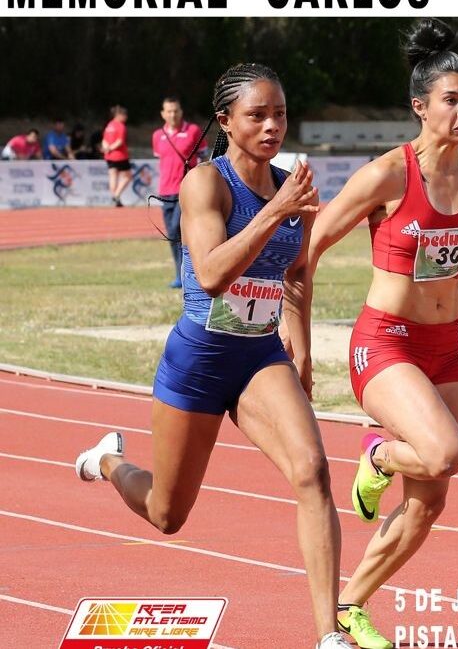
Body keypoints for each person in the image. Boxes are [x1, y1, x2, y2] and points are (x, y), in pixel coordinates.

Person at [75, 63, 352, 649]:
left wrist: (300, 344)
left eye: (280, 113)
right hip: (199, 359)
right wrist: (278, 209)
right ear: (226, 121)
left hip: (258, 358)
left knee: (314, 474)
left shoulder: (293, 184)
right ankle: (106, 461)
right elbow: (210, 272)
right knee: (167, 515)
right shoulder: (207, 183)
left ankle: (329, 633)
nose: (273, 125)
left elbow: (298, 273)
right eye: (258, 115)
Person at [306, 19, 458, 649]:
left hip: (445, 346)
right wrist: (296, 332)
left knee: (431, 502)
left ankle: (348, 607)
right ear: (420, 107)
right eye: (451, 100)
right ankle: (377, 455)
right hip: (386, 342)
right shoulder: (388, 176)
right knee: (445, 453)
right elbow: (312, 245)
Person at [152, 97, 209, 288]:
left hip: (186, 190)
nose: (172, 114)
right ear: (162, 114)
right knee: (171, 234)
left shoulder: (193, 131)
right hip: (164, 191)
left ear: (181, 112)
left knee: (178, 229)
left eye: (175, 110)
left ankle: (191, 273)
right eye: (168, 111)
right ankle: (180, 275)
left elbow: (204, 157)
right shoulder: (157, 135)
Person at [102, 105, 132, 207]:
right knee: (127, 176)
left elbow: (104, 140)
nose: (126, 117)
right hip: (120, 155)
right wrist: (111, 148)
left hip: (109, 155)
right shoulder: (121, 126)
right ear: (118, 115)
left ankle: (114, 197)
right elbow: (120, 141)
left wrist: (107, 148)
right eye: (124, 115)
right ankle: (116, 195)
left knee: (113, 175)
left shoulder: (109, 125)